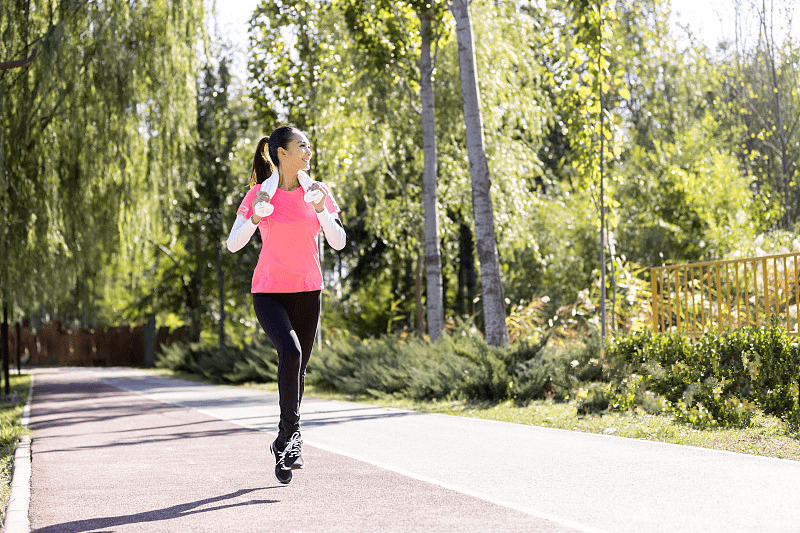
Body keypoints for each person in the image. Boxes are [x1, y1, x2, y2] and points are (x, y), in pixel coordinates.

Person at [226, 125, 346, 484]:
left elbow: (338, 241)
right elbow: (234, 244)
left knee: (299, 368)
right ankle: (293, 438)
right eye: (302, 146)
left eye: (308, 146)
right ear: (282, 152)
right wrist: (255, 218)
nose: (308, 151)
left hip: (309, 291)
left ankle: (283, 440)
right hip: (269, 292)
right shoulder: (258, 195)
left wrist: (324, 210)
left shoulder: (318, 191)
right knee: (291, 355)